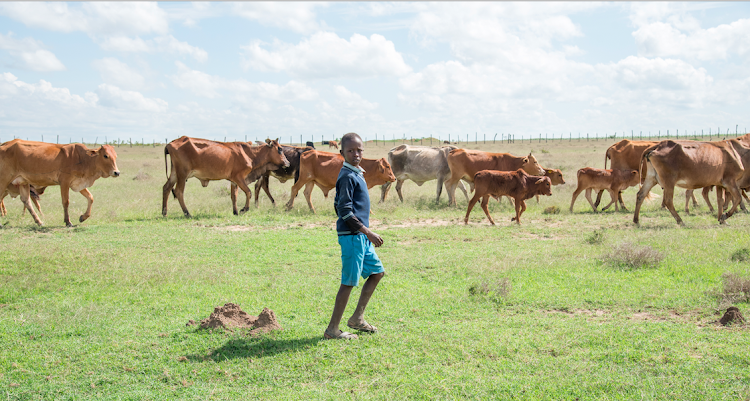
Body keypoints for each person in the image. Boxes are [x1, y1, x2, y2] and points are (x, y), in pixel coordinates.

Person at [324, 132, 385, 340]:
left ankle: (357, 318)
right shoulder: (347, 176)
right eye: (351, 151)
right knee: (348, 282)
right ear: (342, 153)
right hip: (353, 237)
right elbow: (344, 211)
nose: (356, 154)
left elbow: (340, 204)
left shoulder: (357, 172)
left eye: (359, 150)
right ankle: (332, 329)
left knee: (377, 272)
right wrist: (368, 231)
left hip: (360, 237)